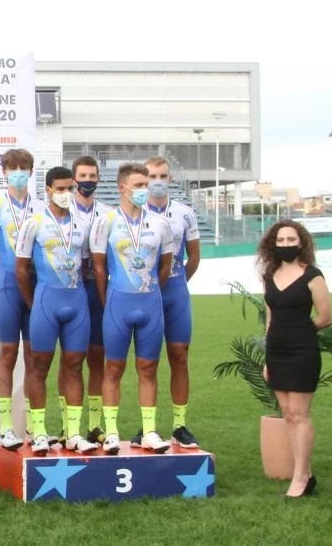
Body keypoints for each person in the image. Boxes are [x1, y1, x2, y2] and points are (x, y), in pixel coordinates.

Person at [90, 163, 173, 454]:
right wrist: (109, 300)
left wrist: (149, 290)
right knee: (113, 368)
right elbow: (98, 267)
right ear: (122, 187)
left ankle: (149, 432)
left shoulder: (161, 224)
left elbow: (166, 266)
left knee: (148, 368)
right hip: (118, 304)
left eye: (145, 185)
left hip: (150, 304)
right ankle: (111, 432)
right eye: (138, 185)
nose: (143, 190)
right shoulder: (105, 221)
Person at [15, 167, 98, 454]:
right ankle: (38, 432)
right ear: (48, 190)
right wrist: (34, 302)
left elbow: (85, 265)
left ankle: (73, 434)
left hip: (76, 303)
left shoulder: (82, 225)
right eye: (60, 189)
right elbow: (21, 270)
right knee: (39, 367)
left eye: (70, 189)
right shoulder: (33, 223)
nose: (66, 194)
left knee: (74, 366)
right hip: (46, 303)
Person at [260, 219, 331, 497]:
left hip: (303, 351)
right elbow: (269, 320)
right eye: (281, 240)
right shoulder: (269, 276)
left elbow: (325, 317)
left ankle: (300, 478)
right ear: (273, 244)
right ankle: (306, 474)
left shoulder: (313, 276)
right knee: (288, 414)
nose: (286, 244)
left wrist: (300, 331)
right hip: (276, 351)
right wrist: (267, 359)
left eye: (291, 240)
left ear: (301, 243)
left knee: (300, 414)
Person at [0, 148, 42, 449]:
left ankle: (33, 427)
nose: (18, 172)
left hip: (37, 284)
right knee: (8, 353)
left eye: (23, 167)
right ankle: (6, 428)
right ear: (4, 172)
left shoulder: (41, 207)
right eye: (12, 168)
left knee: (34, 356)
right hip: (7, 284)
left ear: (31, 171)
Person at [140, 156, 201, 449]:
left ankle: (179, 425)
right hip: (144, 293)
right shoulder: (133, 212)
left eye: (162, 176)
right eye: (151, 176)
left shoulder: (185, 213)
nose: (157, 181)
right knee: (147, 362)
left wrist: (176, 282)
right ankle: (147, 427)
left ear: (171, 179)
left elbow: (194, 257)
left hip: (175, 292)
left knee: (179, 355)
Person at [69, 156, 111, 444]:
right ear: (74, 179)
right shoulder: (60, 211)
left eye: (92, 176)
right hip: (70, 288)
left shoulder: (109, 214)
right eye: (82, 175)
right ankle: (68, 427)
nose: (87, 180)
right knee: (71, 359)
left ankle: (95, 425)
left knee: (98, 357)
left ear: (98, 178)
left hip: (97, 288)